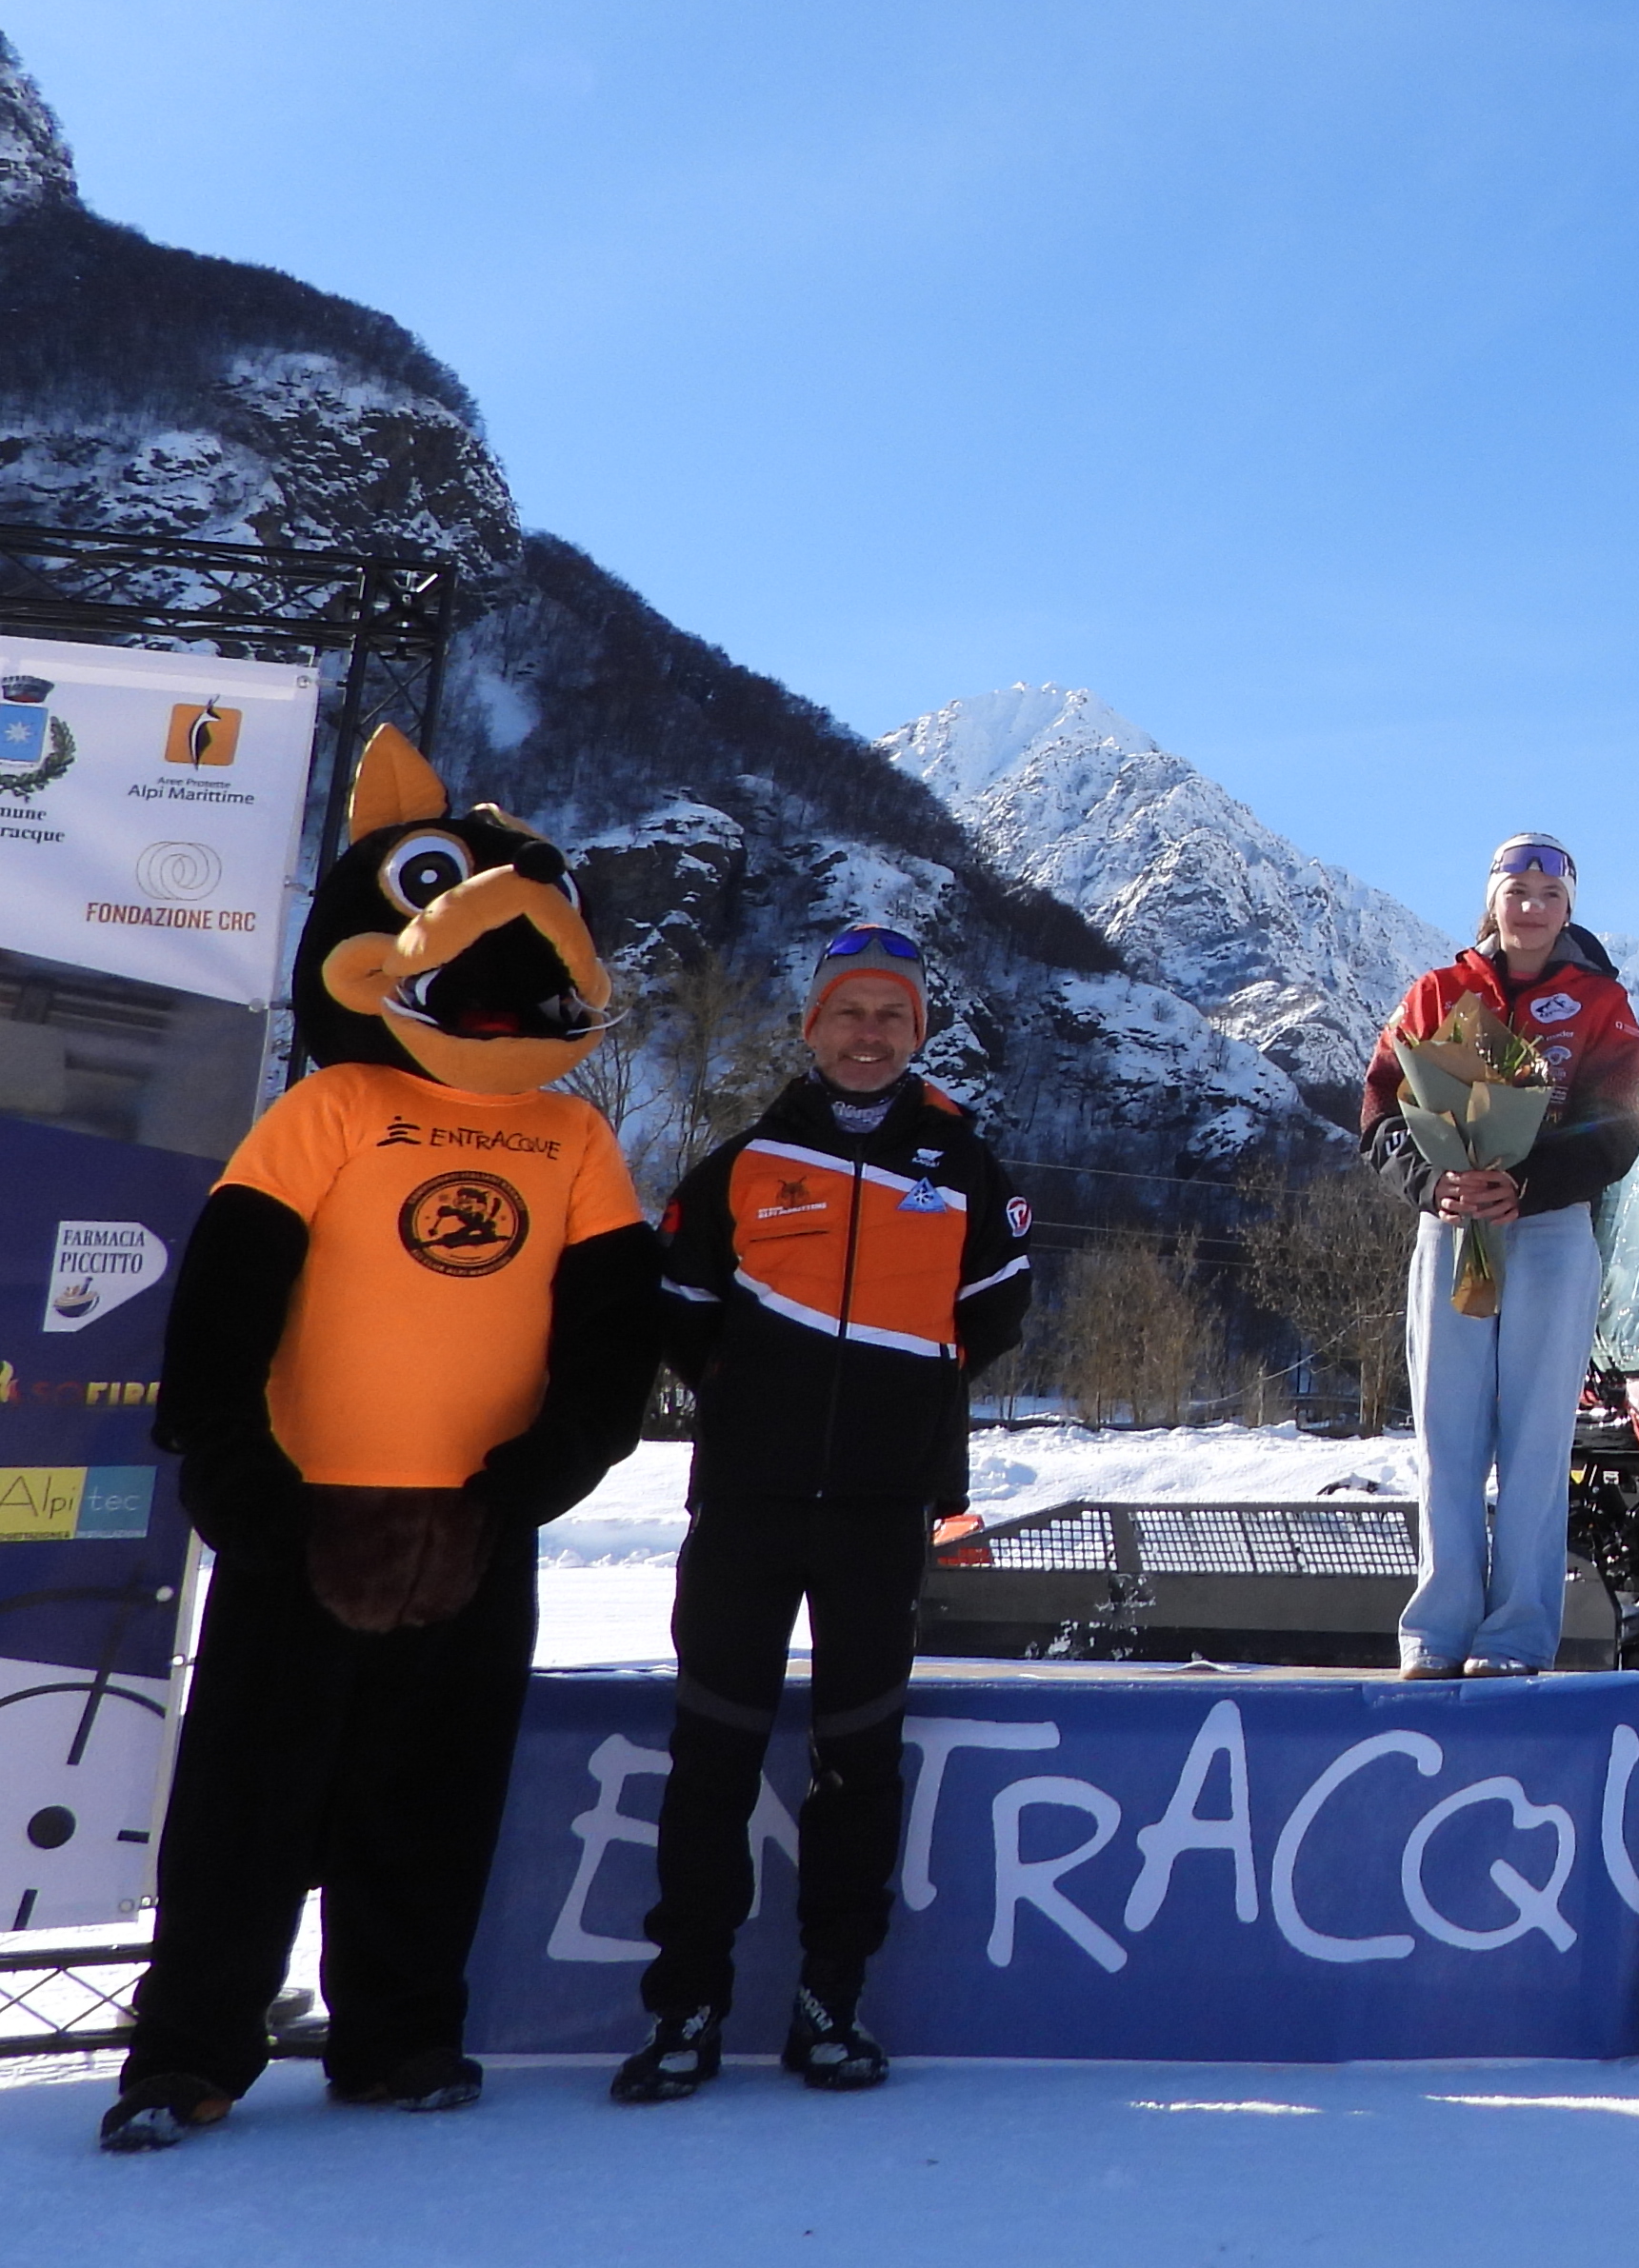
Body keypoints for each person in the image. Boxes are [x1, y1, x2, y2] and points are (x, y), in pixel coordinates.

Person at [110, 732, 657, 2150]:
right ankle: (190, 2048)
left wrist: (547, 1475)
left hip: (476, 1525)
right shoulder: (331, 1107)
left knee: (431, 1801)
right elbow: (223, 1306)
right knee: (249, 1801)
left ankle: (399, 2033)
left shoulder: (575, 1138)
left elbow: (612, 1338)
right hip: (307, 1521)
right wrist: (235, 1476)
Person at [616, 925, 1033, 2101]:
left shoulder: (963, 1164)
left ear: (921, 1034)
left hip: (880, 1511)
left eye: (892, 1017)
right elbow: (683, 1309)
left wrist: (900, 1405)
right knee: (713, 1756)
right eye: (848, 1014)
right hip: (746, 1504)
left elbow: (995, 1314)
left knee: (858, 1763)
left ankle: (827, 2004)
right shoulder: (743, 1161)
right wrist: (760, 1398)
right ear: (811, 1028)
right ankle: (686, 2010)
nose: (869, 1034)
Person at [1359, 834, 1639, 1677]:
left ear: (1568, 910)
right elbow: (1380, 1106)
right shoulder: (1439, 993)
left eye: (1549, 895)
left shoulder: (1599, 1004)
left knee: (1536, 1434)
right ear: (1492, 902)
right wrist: (1430, 1184)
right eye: (1516, 891)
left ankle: (1518, 1635)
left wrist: (1531, 1181)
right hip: (1454, 1226)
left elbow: (1618, 1126)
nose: (1531, 907)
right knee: (1447, 1430)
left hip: (1551, 1230)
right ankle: (1438, 1629)